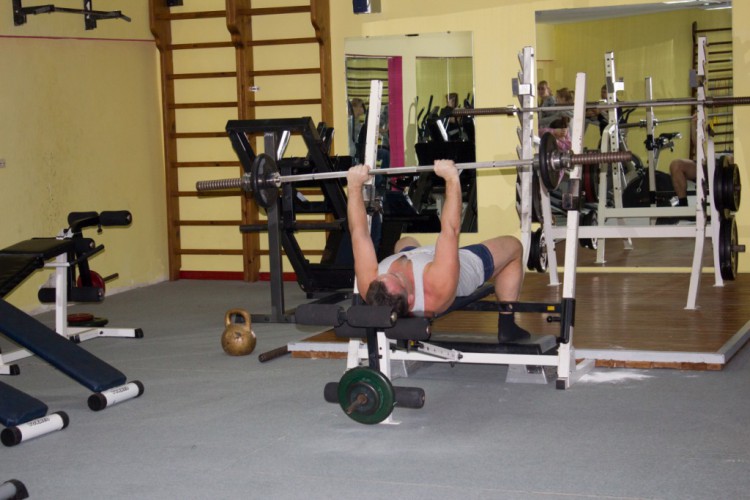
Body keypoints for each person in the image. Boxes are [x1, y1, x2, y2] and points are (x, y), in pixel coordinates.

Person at [346, 160, 531, 342]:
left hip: (420, 257)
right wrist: (451, 179)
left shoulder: (370, 286)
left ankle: (411, 254)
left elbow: (359, 233)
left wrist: (354, 186)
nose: (394, 271)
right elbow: (450, 230)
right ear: (411, 299)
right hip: (460, 266)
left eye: (386, 274)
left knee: (405, 241)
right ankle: (507, 325)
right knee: (514, 247)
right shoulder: (436, 285)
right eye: (397, 277)